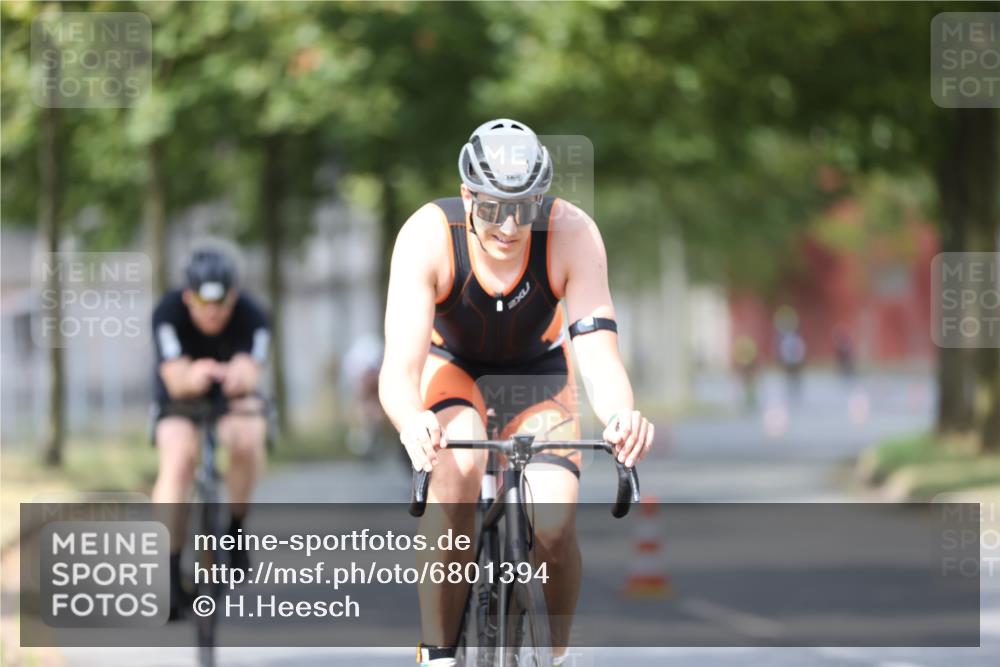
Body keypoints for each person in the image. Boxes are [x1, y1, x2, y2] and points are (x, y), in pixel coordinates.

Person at [378, 119, 655, 667]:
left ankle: (555, 655)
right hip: (453, 369)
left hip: (538, 374)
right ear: (466, 196)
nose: (508, 225)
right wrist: (412, 420)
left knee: (554, 522)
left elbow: (599, 358)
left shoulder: (572, 233)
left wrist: (621, 416)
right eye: (491, 208)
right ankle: (438, 652)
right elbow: (399, 369)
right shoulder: (427, 236)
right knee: (454, 473)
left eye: (523, 207)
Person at [150, 245, 270, 620]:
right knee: (178, 459)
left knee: (248, 436)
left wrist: (238, 374)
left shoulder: (254, 316)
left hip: (232, 396)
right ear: (189, 297)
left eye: (221, 303)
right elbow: (174, 378)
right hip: (180, 396)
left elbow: (253, 370)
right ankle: (168, 571)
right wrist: (193, 375)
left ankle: (234, 527)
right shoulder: (167, 312)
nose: (213, 312)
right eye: (204, 302)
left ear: (233, 297)